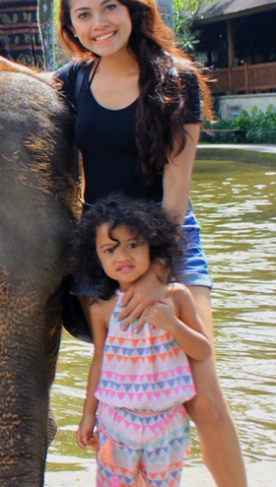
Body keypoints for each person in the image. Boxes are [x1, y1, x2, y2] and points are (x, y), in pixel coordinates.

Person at [0, 0, 247, 487]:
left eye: (109, 8)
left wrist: (159, 272)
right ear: (71, 27)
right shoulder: (78, 79)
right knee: (125, 379)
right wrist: (0, 64)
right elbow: (36, 83)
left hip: (168, 241)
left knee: (202, 398)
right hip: (104, 248)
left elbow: (176, 186)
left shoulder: (176, 78)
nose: (99, 24)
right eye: (84, 15)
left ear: (132, 8)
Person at [71, 196, 212, 486]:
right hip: (115, 421)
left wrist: (172, 324)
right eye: (110, 249)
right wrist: (88, 415)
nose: (123, 256)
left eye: (133, 245)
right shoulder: (102, 309)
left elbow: (202, 351)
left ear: (153, 247)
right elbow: (99, 361)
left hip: (167, 422)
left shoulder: (176, 296)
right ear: (97, 258)